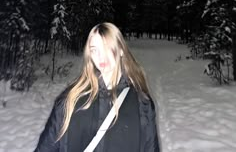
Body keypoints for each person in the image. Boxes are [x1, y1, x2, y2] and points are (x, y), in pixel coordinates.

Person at [34, 22, 160, 152]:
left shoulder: (141, 103)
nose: (101, 56)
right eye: (94, 50)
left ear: (121, 50)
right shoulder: (70, 99)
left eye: (106, 47)